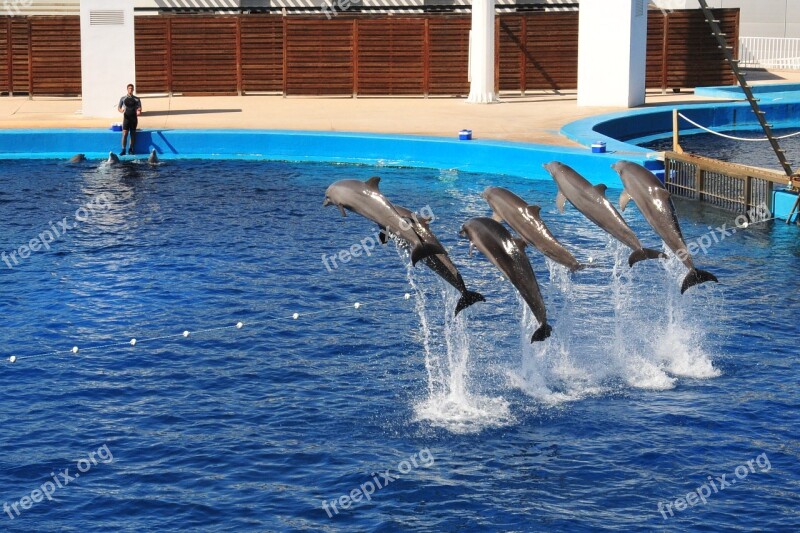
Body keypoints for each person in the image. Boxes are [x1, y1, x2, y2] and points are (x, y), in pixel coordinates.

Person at [117, 84, 142, 155]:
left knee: (132, 134)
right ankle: (123, 149)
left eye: (131, 88)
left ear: (133, 89)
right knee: (124, 133)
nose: (130, 90)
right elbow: (119, 107)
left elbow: (139, 108)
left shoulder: (137, 99)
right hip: (126, 118)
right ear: (127, 89)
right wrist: (121, 110)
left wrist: (139, 111)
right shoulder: (123, 98)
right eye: (129, 88)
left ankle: (131, 149)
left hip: (134, 118)